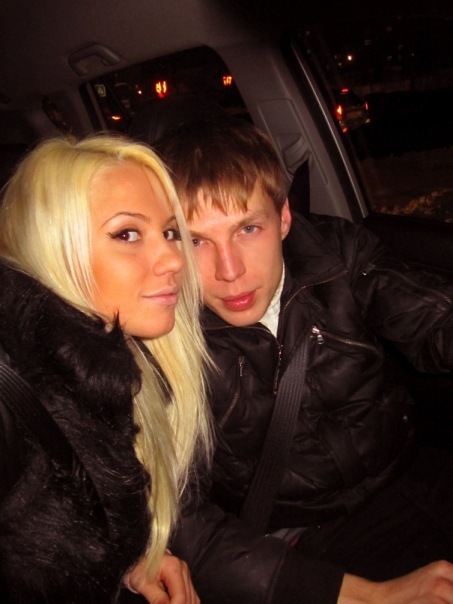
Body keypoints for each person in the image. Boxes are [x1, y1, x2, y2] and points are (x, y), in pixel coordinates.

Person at [158, 115, 453, 603]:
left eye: (248, 228)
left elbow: (432, 316)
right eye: (195, 240)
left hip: (411, 472)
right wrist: (367, 595)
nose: (229, 271)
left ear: (284, 218)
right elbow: (181, 519)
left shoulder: (336, 255)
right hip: (295, 540)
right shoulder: (164, 338)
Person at [0, 134, 212, 603]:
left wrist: (124, 562)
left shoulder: (124, 366)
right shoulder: (11, 398)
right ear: (51, 248)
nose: (175, 258)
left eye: (170, 232)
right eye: (127, 234)